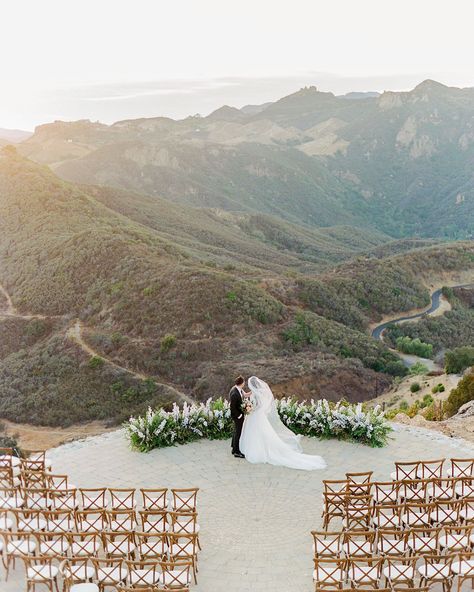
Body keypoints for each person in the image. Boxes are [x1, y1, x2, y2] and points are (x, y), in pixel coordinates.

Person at [239, 376, 326, 471]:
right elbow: (250, 397)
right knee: (261, 433)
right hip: (258, 415)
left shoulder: (256, 394)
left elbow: (257, 405)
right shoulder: (257, 392)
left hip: (256, 415)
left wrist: (249, 408)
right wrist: (246, 400)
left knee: (257, 433)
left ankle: (259, 450)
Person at [229, 375, 250, 458]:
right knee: (238, 433)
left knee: (236, 431)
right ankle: (236, 452)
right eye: (244, 382)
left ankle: (234, 448)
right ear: (242, 383)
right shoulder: (234, 393)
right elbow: (232, 407)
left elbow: (245, 395)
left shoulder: (238, 389)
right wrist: (239, 415)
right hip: (237, 416)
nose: (244, 384)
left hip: (239, 414)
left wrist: (254, 391)